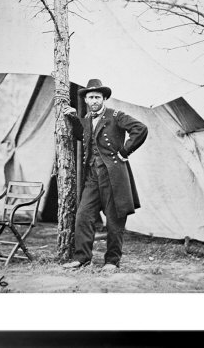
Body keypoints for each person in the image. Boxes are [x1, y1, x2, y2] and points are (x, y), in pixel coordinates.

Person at [62, 79, 148, 271]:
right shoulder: (86, 119)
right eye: (90, 97)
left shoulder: (115, 116)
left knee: (114, 221)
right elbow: (81, 136)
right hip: (92, 177)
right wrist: (75, 118)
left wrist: (125, 151)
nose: (93, 101)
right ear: (85, 100)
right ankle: (82, 258)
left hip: (113, 177)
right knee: (83, 216)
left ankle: (112, 261)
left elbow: (140, 128)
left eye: (97, 97)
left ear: (104, 98)